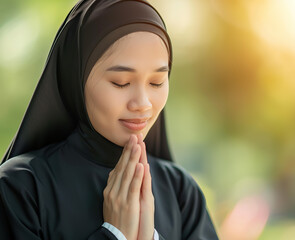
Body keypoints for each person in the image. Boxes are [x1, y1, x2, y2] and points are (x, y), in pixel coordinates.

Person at [0, 0, 219, 239]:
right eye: (121, 82)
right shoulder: (20, 189)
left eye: (156, 82)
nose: (143, 103)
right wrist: (114, 234)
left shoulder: (181, 192)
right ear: (76, 80)